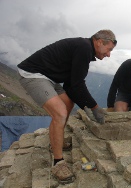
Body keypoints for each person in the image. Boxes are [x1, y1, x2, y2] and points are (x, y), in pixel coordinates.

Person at [17, 30, 117, 183]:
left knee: (68, 103)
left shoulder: (85, 49)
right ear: (99, 42)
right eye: (109, 49)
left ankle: (57, 141)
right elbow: (78, 85)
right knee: (60, 113)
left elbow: (71, 86)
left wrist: (87, 107)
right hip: (33, 74)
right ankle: (58, 162)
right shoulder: (84, 48)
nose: (109, 54)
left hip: (48, 77)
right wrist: (95, 107)